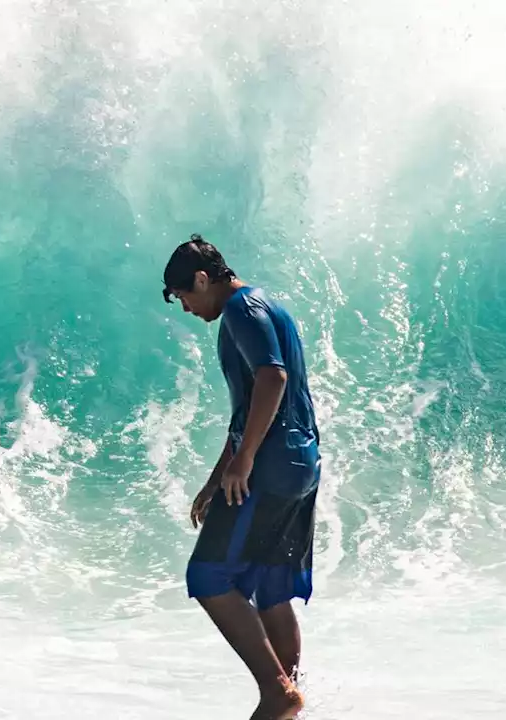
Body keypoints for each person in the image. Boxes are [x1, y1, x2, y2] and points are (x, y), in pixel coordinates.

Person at [161, 234, 321, 720]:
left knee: (208, 577)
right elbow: (252, 403)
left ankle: (278, 694)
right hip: (299, 462)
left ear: (204, 279)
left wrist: (246, 458)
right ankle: (287, 703)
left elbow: (273, 379)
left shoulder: (240, 310)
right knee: (270, 588)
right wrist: (219, 477)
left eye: (186, 296)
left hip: (271, 466)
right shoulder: (268, 304)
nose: (187, 308)